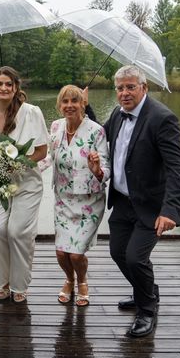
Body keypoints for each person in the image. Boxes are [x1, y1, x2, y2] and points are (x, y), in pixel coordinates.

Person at [104, 65, 180, 337]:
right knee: (118, 252)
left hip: (151, 205)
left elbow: (178, 167)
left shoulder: (163, 118)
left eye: (130, 87)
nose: (125, 93)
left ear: (144, 88)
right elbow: (99, 134)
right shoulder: (117, 114)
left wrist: (171, 210)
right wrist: (83, 107)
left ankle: (147, 310)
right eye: (120, 88)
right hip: (123, 201)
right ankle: (147, 290)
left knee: (135, 258)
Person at [0, 66, 48, 304]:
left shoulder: (31, 112)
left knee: (17, 232)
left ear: (16, 88)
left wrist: (17, 165)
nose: (3, 88)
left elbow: (42, 151)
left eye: (9, 84)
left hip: (27, 183)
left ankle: (19, 284)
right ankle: (2, 282)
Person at [48, 85, 110, 307]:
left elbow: (106, 165)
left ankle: (82, 281)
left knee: (76, 254)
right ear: (59, 105)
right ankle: (69, 279)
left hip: (89, 201)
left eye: (74, 101)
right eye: (65, 102)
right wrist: (23, 166)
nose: (69, 106)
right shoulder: (55, 127)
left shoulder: (96, 131)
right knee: (61, 253)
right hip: (63, 198)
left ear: (83, 103)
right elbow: (47, 156)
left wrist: (97, 170)